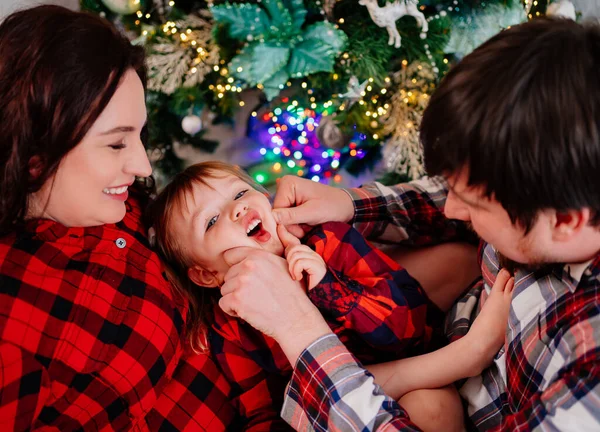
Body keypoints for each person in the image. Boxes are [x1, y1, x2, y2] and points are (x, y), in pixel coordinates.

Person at [218, 17, 600, 431]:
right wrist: (350, 204)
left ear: (564, 221)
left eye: (471, 203)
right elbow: (452, 196)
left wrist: (299, 331)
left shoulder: (587, 377)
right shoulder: (557, 187)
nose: (450, 208)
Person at [0, 6, 239, 430]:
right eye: (116, 145)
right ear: (35, 158)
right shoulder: (13, 317)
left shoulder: (122, 207)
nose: (145, 166)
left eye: (139, 135)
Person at [148, 160, 515, 431]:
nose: (237, 209)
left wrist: (327, 287)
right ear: (206, 274)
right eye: (211, 221)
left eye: (241, 193)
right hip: (332, 407)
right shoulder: (228, 328)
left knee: (435, 405)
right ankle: (463, 358)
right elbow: (262, 410)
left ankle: (465, 357)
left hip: (411, 363)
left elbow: (408, 326)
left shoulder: (330, 242)